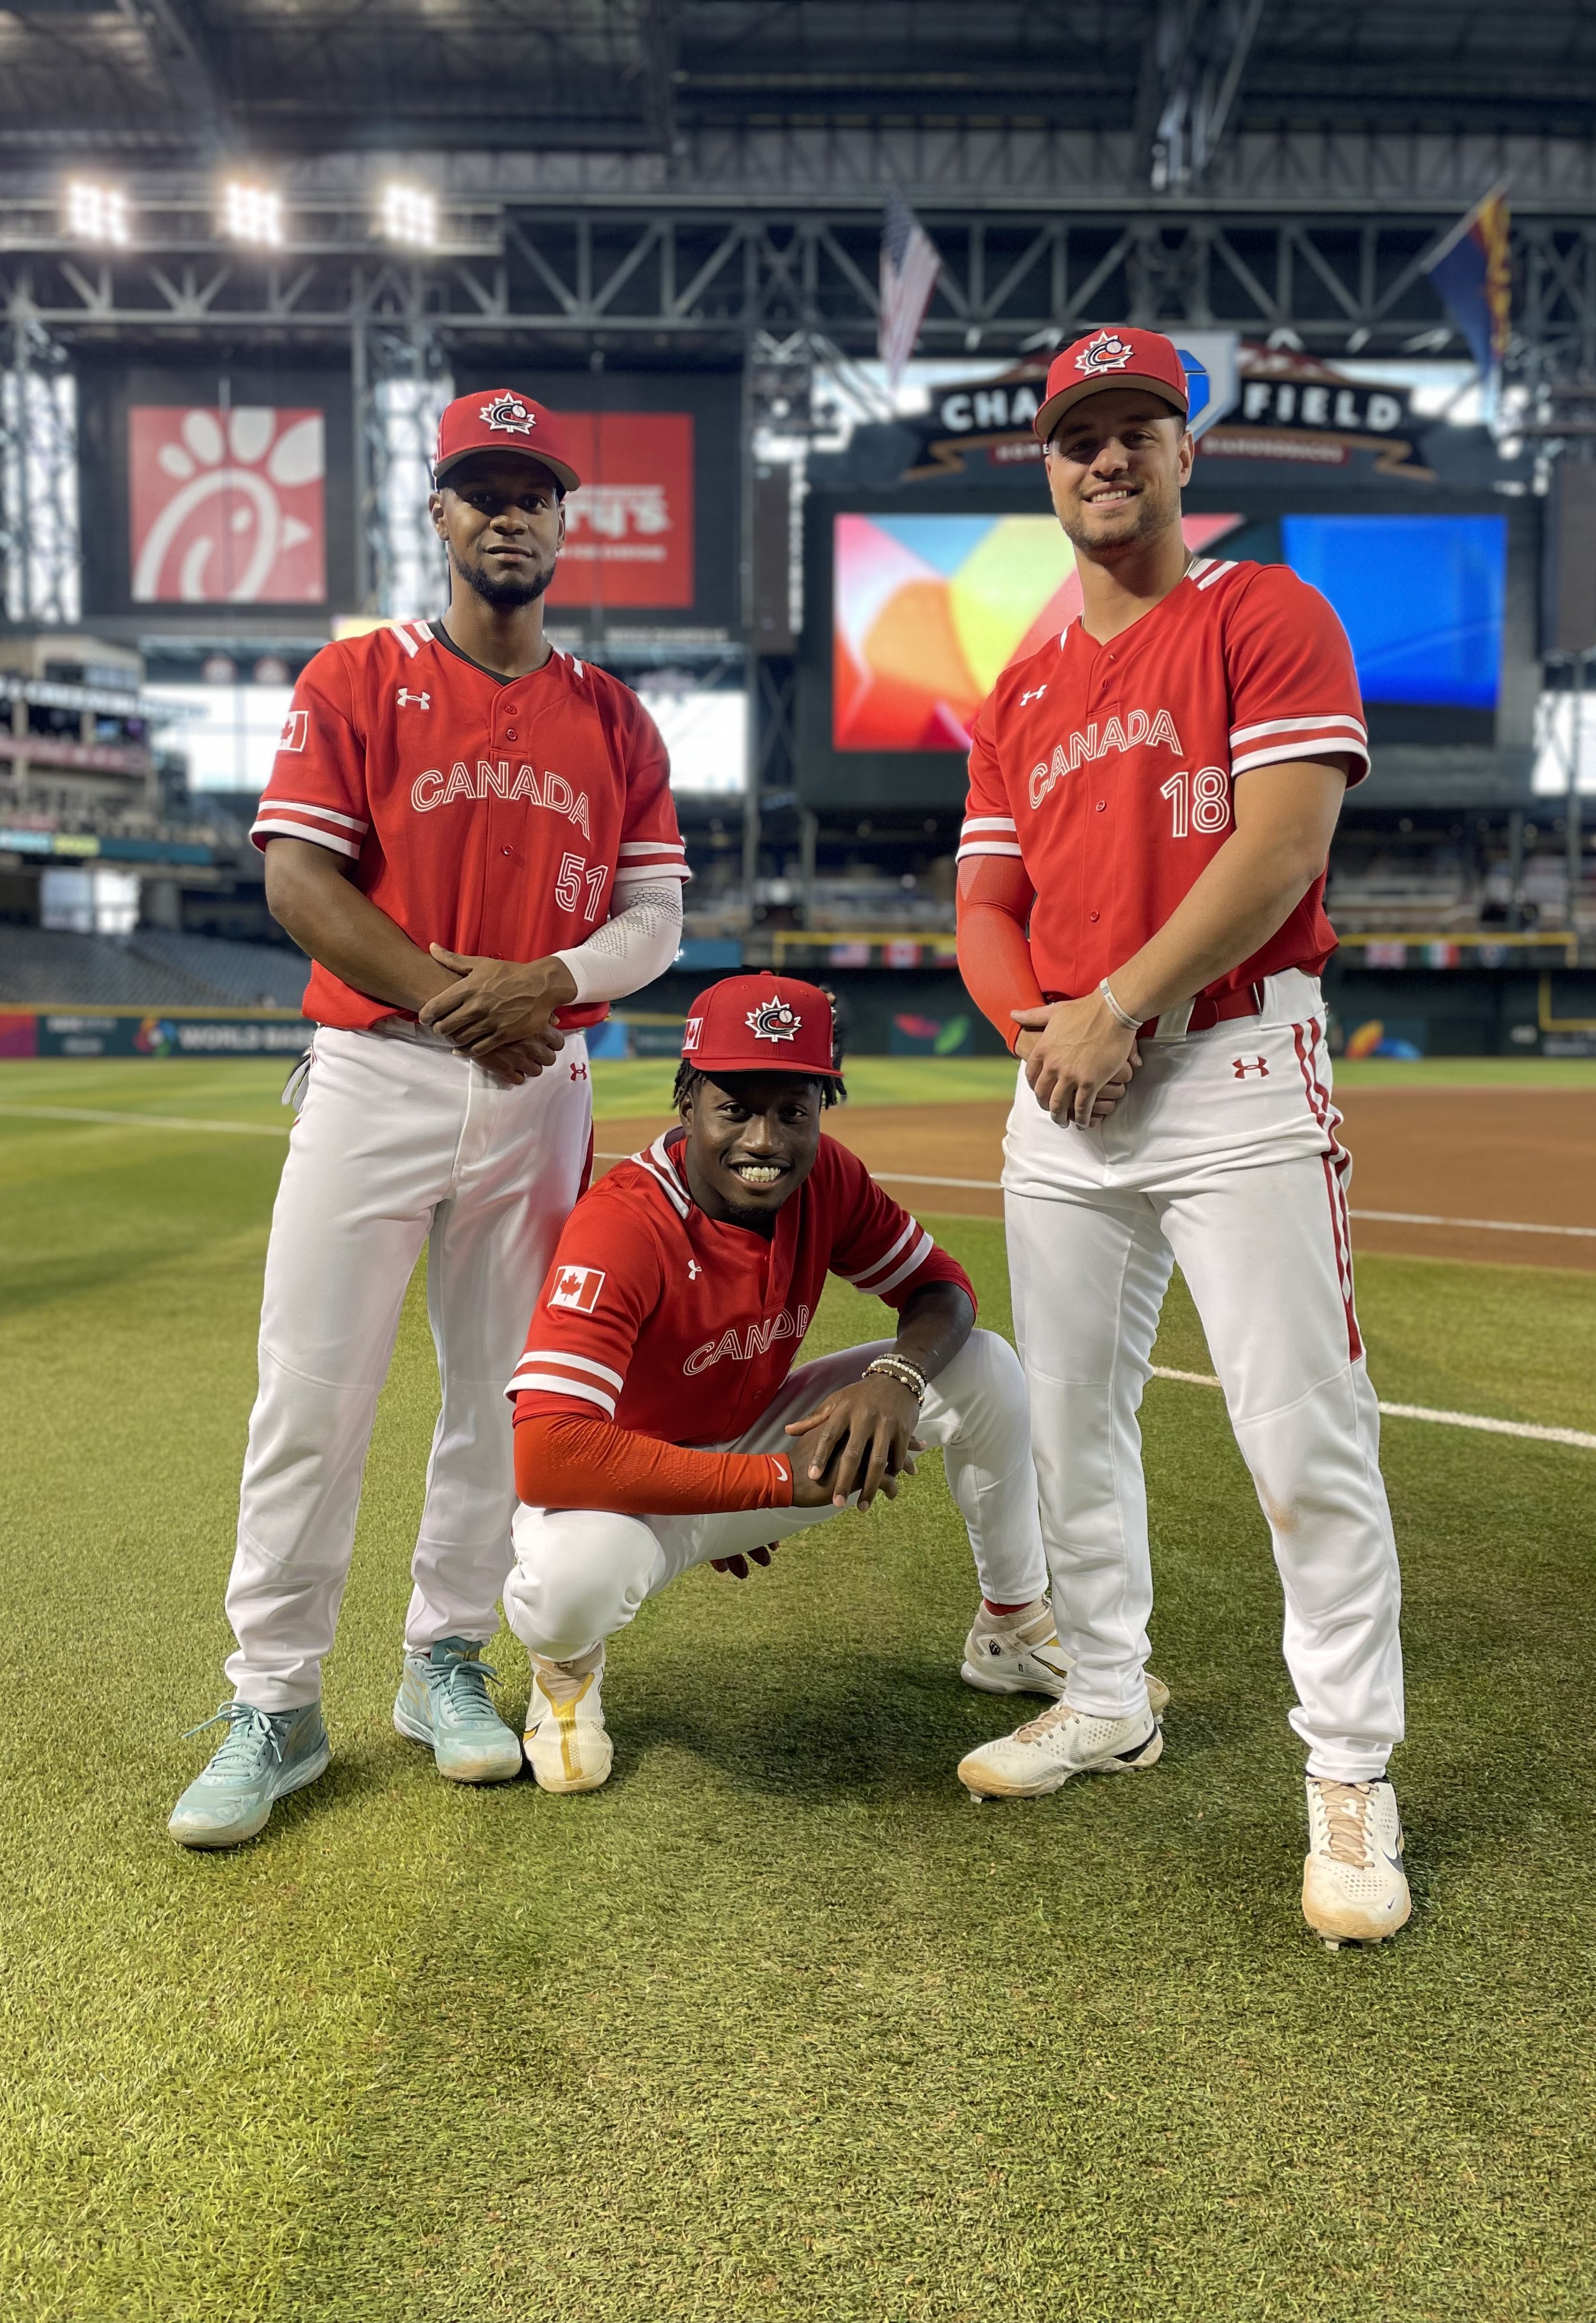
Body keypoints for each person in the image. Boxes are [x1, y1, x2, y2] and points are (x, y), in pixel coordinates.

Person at [169, 388, 690, 1849]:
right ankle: (274, 1698)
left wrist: (554, 984)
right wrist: (466, 998)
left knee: (502, 1403)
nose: (508, 511)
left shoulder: (614, 714)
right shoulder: (354, 677)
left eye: (533, 490)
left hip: (541, 1091)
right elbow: (298, 884)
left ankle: (441, 1662)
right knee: (311, 1392)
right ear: (442, 513)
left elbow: (655, 917)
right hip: (379, 1074)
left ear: (564, 523)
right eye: (482, 488)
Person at [952, 326, 1409, 1949]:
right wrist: (1042, 1029)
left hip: (1227, 1067)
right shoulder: (1019, 683)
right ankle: (1104, 1694)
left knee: (1302, 1437)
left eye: (1138, 427)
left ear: (1183, 451)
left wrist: (1122, 1002)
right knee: (1073, 1425)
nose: (1107, 458)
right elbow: (986, 905)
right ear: (1048, 464)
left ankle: (1349, 1774)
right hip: (1064, 1089)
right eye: (1079, 435)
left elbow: (1283, 848)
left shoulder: (1264, 615)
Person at [499, 973, 1141, 1794]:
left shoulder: (827, 1179)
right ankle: (566, 1669)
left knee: (983, 1364)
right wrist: (764, 1483)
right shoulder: (624, 1224)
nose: (765, 1140)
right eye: (735, 1108)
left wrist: (897, 1376)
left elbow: (942, 1289)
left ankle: (1012, 1623)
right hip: (632, 1483)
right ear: (686, 1102)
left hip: (759, 1438)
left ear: (819, 1110)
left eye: (793, 1111)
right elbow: (548, 1456)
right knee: (566, 1585)